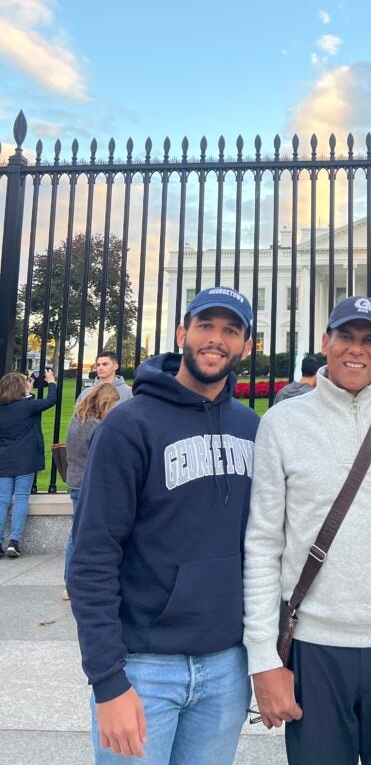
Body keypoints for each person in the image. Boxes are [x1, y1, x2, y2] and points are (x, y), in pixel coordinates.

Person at [68, 287, 259, 765]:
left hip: (225, 666)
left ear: (246, 346)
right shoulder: (128, 425)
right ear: (182, 334)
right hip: (143, 668)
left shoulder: (251, 429)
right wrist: (108, 681)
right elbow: (92, 555)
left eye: (230, 330)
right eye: (206, 327)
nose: (216, 340)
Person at [243, 295, 371, 765]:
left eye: (370, 340)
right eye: (345, 336)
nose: (356, 349)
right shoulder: (282, 424)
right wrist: (263, 658)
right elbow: (263, 544)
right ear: (325, 342)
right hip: (314, 645)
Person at [62, 383, 120, 600]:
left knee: (76, 534)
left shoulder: (77, 421)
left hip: (75, 480)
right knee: (85, 535)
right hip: (91, 483)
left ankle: (70, 581)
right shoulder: (97, 426)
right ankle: (77, 582)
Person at [0, 368, 58, 559]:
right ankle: (14, 542)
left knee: (2, 500)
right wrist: (51, 382)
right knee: (21, 497)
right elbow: (51, 400)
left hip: (5, 459)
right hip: (26, 458)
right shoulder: (27, 407)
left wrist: (28, 392)